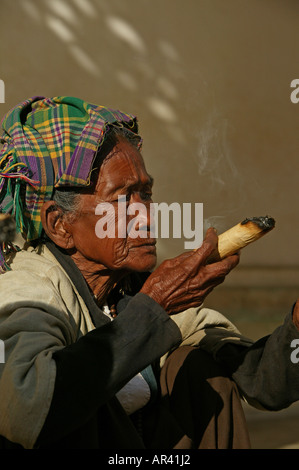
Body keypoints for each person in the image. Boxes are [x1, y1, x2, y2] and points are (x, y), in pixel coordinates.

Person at [0, 96, 298, 450]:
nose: (147, 215)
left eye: (146, 193)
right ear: (59, 224)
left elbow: (262, 383)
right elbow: (26, 411)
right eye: (123, 199)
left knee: (197, 368)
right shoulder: (27, 289)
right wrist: (154, 308)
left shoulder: (129, 291)